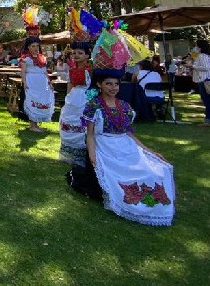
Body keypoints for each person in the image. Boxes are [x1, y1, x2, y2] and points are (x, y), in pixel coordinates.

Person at [68, 69, 175, 226]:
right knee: (114, 174)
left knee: (157, 169)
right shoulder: (93, 105)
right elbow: (90, 134)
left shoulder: (125, 106)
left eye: (116, 84)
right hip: (105, 145)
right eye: (108, 84)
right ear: (99, 85)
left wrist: (148, 150)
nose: (113, 87)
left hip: (125, 145)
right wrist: (92, 154)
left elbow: (129, 134)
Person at [58, 41, 93, 166]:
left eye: (80, 53)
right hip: (73, 98)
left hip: (86, 97)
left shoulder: (90, 69)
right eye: (74, 53)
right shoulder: (72, 69)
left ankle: (84, 154)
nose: (76, 55)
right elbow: (70, 84)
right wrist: (68, 98)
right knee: (69, 121)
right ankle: (70, 154)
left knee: (82, 123)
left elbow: (93, 86)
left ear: (87, 55)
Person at [20, 38, 55, 133]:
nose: (36, 48)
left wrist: (49, 82)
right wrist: (24, 82)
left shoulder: (42, 57)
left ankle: (37, 124)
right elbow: (23, 72)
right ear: (29, 47)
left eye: (37, 46)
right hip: (31, 81)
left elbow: (45, 71)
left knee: (41, 100)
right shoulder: (25, 58)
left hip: (42, 82)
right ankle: (32, 125)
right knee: (33, 100)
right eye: (33, 46)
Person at [191, 39, 210, 126]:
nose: (194, 47)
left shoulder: (203, 56)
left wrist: (193, 66)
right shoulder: (204, 55)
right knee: (209, 101)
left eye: (196, 46)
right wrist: (193, 54)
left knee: (208, 101)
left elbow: (206, 68)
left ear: (200, 47)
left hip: (205, 80)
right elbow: (193, 57)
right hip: (207, 79)